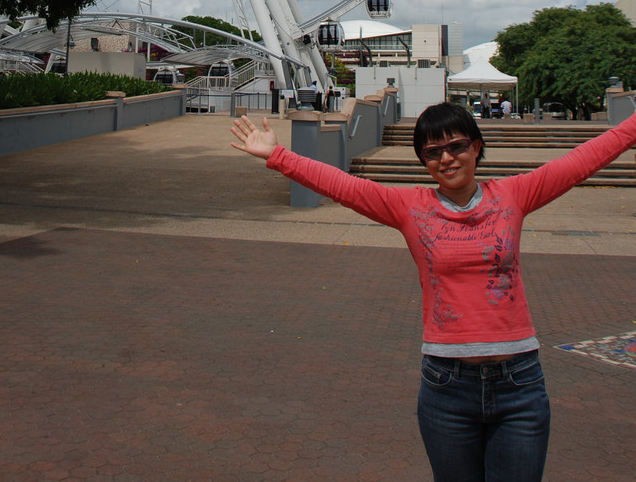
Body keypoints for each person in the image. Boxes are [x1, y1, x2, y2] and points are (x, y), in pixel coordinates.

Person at [230, 101, 636, 482]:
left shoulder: (513, 195)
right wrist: (276, 155)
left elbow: (581, 162)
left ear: (476, 147)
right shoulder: (410, 206)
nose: (446, 158)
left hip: (520, 385)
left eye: (457, 146)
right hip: (447, 387)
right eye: (432, 152)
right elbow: (343, 186)